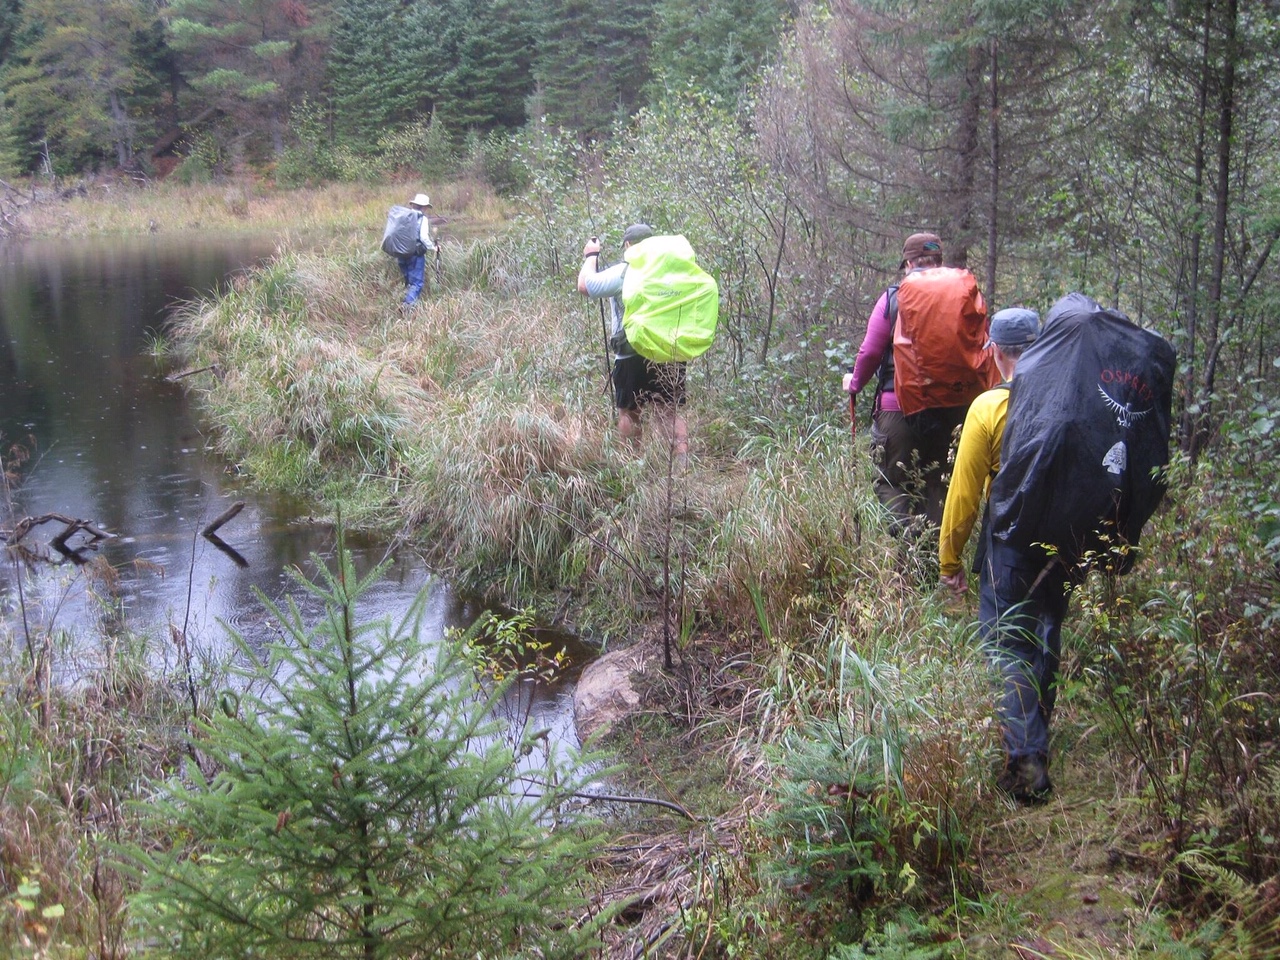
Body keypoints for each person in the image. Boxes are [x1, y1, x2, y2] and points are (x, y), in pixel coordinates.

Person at [842, 232, 978, 536]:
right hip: (951, 411)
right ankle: (931, 562)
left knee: (890, 482)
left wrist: (854, 383)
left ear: (908, 263)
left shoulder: (894, 297)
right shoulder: (962, 295)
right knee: (936, 484)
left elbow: (872, 351)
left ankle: (909, 543)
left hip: (898, 409)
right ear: (939, 261)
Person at [937, 307, 1040, 600]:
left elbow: (964, 495)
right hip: (1058, 543)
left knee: (1004, 640)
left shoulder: (988, 407)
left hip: (1008, 539)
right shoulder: (1063, 400)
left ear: (996, 351)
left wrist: (950, 562)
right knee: (1047, 635)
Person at [577, 224, 688, 457]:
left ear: (628, 246)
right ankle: (681, 467)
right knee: (669, 412)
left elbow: (585, 286)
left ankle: (631, 462)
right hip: (668, 350)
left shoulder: (623, 272)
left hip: (630, 353)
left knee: (629, 411)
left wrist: (591, 256)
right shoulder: (673, 272)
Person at [398, 193, 437, 306]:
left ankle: (405, 302)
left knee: (409, 281)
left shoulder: (404, 216)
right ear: (424, 207)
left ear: (414, 204)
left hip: (401, 252)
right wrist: (433, 248)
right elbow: (424, 237)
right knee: (417, 283)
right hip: (415, 255)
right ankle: (407, 306)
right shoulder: (422, 218)